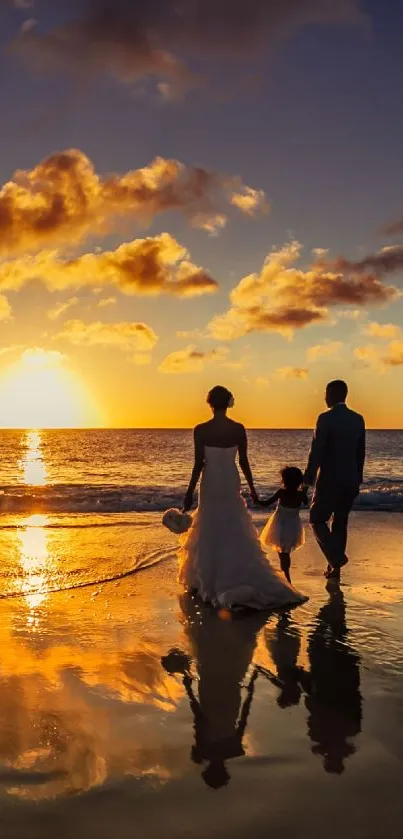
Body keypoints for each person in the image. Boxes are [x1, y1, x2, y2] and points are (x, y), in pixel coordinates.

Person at [180, 385, 308, 610]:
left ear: (210, 403)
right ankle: (236, 573)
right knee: (232, 522)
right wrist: (251, 487)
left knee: (209, 523)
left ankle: (206, 580)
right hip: (230, 479)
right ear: (228, 402)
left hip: (210, 482)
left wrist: (189, 492)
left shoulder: (200, 429)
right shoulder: (238, 429)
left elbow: (198, 463)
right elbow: (243, 461)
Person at [304, 380, 365, 580]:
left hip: (329, 480)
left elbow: (317, 452)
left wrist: (307, 481)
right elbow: (360, 453)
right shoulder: (358, 419)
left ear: (332, 394)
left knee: (316, 519)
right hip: (350, 479)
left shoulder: (325, 418)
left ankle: (336, 558)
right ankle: (334, 568)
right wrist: (358, 479)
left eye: (326, 393)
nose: (324, 397)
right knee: (340, 522)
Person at [260, 466, 308, 583]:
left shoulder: (282, 492)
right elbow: (306, 502)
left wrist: (255, 499)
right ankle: (287, 576)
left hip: (280, 526)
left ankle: (287, 578)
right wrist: (304, 490)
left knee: (282, 554)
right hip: (293, 527)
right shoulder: (300, 495)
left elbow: (266, 503)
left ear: (284, 480)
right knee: (286, 553)